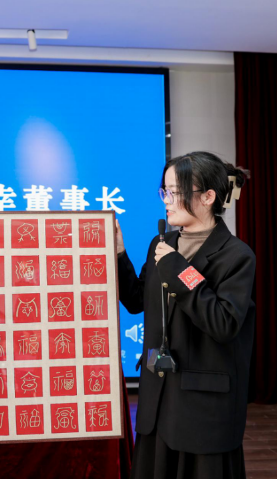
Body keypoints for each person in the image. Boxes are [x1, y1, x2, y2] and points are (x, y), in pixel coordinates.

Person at [117, 151, 255, 478]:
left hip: (203, 409)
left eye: (176, 192)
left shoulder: (237, 256)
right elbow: (137, 300)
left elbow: (223, 322)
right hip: (158, 401)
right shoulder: (161, 243)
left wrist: (179, 270)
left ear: (208, 197)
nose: (167, 200)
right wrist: (120, 254)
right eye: (164, 191)